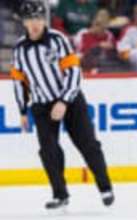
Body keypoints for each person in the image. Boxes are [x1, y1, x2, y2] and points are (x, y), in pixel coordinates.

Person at [10, 1, 114, 209]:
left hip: (70, 99)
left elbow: (74, 72)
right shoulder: (20, 49)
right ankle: (60, 194)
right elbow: (19, 81)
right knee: (48, 150)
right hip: (41, 105)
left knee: (88, 144)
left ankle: (105, 187)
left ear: (44, 19)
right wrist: (22, 109)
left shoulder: (58, 40)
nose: (35, 23)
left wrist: (64, 100)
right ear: (24, 22)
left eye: (38, 18)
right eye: (30, 19)